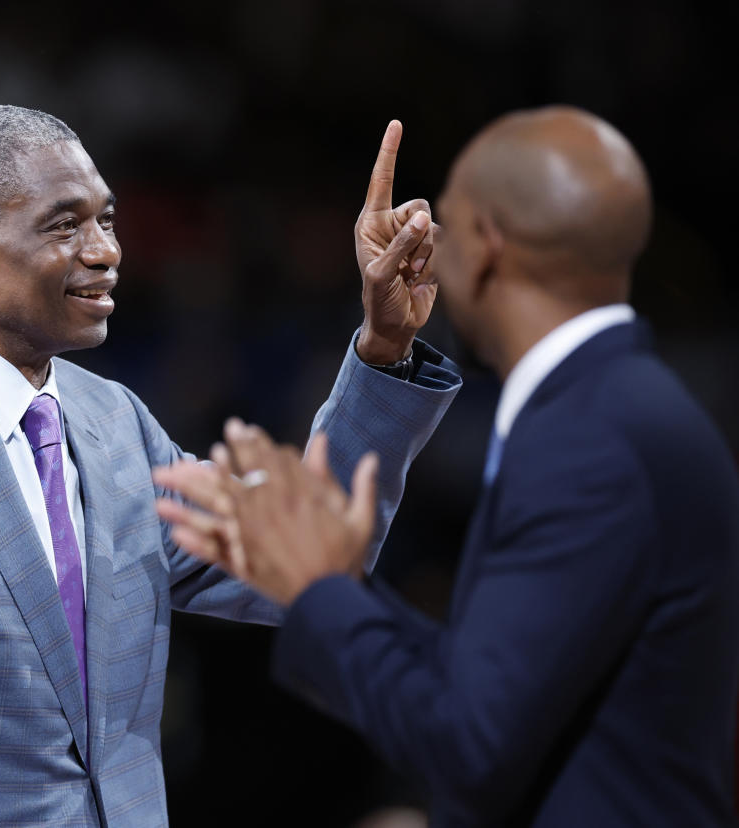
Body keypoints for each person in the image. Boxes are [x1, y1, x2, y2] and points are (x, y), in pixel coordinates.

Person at [0, 104, 461, 826]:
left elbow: (303, 556)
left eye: (108, 219)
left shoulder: (113, 423)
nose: (106, 250)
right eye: (66, 225)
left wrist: (383, 348)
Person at [153, 105, 739, 826]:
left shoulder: (591, 441)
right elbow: (511, 693)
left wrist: (321, 587)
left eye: (449, 224)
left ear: (486, 246)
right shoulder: (628, 408)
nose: (429, 242)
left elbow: (468, 746)